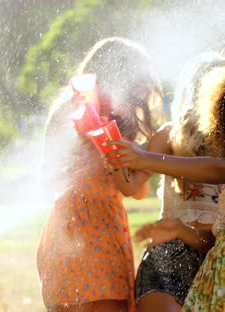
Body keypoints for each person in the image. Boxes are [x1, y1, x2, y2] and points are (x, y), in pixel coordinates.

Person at [36, 37, 163, 312]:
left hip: (75, 225)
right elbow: (49, 176)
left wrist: (122, 154)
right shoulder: (76, 112)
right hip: (93, 230)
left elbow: (136, 189)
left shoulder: (118, 117)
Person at [105, 65, 225, 312]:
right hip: (174, 256)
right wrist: (112, 147)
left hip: (210, 251)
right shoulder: (170, 135)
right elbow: (129, 186)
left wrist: (140, 158)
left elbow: (214, 169)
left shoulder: (220, 147)